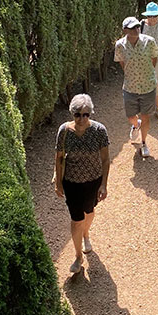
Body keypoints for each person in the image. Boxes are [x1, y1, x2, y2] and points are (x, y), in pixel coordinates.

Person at [54, 93, 110, 275]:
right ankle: (78, 256)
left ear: (90, 114)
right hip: (72, 182)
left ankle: (86, 233)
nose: (82, 118)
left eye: (86, 114)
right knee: (76, 219)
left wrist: (104, 184)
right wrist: (59, 182)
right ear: (72, 114)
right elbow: (59, 157)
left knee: (90, 212)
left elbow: (105, 159)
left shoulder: (99, 131)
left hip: (92, 181)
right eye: (78, 114)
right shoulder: (64, 131)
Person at [114, 15, 158, 158]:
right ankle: (135, 125)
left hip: (148, 86)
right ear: (125, 30)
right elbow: (122, 63)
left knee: (146, 116)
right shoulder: (120, 45)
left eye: (137, 26)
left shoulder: (149, 42)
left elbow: (154, 58)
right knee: (130, 116)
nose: (136, 29)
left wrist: (146, 74)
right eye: (132, 28)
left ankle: (144, 143)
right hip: (130, 87)